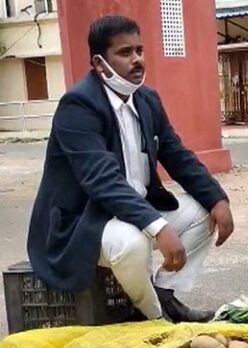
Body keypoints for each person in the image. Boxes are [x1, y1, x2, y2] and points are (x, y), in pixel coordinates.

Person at [26, 15, 234, 323]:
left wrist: (217, 199)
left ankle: (163, 296)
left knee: (202, 213)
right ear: (99, 63)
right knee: (133, 243)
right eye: (125, 53)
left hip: (134, 210)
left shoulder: (146, 99)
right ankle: (155, 321)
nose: (137, 60)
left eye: (139, 50)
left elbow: (176, 153)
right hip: (85, 221)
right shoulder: (78, 106)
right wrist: (158, 227)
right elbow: (102, 179)